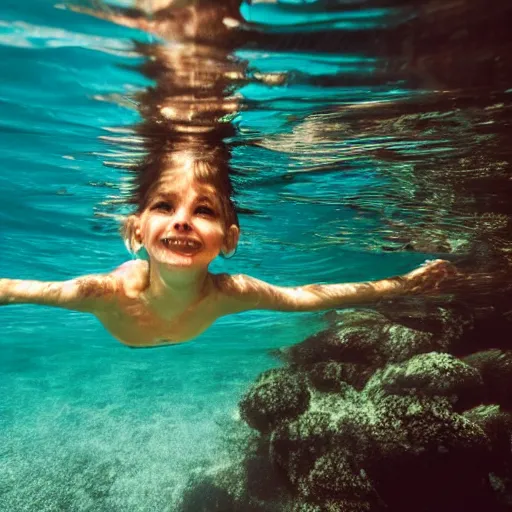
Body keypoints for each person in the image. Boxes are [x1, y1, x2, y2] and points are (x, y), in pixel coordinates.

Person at [0, 144, 455, 347]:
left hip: (160, 332)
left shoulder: (230, 291)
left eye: (204, 211)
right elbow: (16, 289)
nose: (182, 219)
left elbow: (306, 297)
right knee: (127, 274)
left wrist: (402, 284)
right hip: (134, 329)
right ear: (138, 230)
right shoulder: (100, 293)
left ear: (229, 239)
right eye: (164, 205)